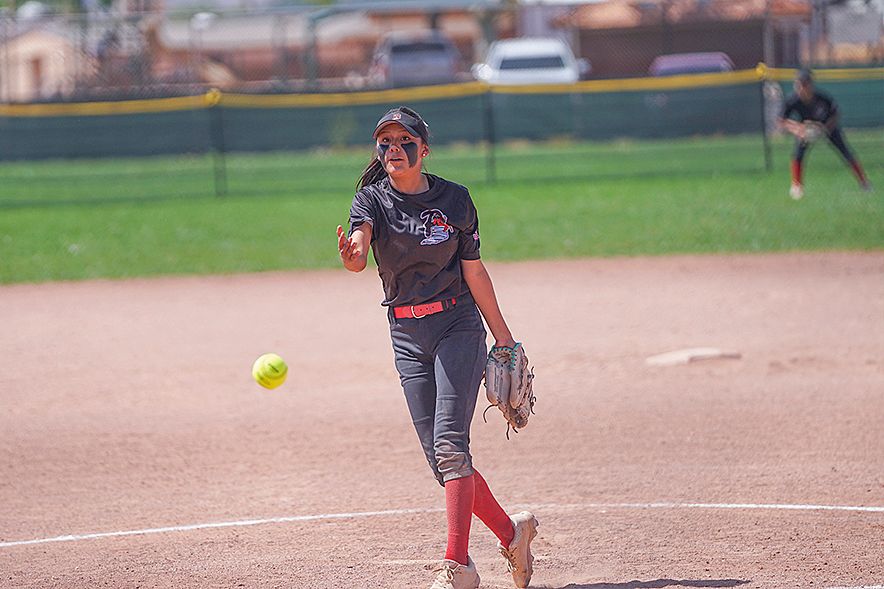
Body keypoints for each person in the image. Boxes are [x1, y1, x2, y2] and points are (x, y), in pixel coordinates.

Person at [335, 106, 539, 589]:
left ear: (424, 150)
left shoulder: (455, 200)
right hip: (406, 335)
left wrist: (504, 337)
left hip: (458, 327)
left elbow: (474, 271)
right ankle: (513, 535)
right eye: (385, 142)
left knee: (451, 446)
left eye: (405, 141)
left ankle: (457, 568)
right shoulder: (371, 201)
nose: (395, 150)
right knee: (443, 463)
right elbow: (360, 250)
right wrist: (352, 255)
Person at [778, 68, 871, 200]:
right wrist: (798, 129)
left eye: (805, 84)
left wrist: (825, 128)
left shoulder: (822, 98)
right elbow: (781, 121)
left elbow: (836, 114)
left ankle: (864, 183)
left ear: (811, 85)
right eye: (798, 84)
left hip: (827, 127)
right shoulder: (792, 100)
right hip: (806, 130)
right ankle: (796, 186)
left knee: (846, 152)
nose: (801, 88)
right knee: (798, 154)